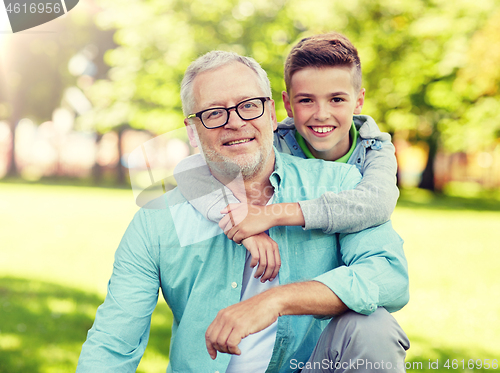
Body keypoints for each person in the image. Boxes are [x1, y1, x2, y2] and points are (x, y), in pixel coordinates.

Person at [76, 50, 409, 373]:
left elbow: (389, 278)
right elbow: (114, 341)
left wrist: (275, 301)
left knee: (373, 327)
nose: (235, 122)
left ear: (274, 114)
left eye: (249, 106)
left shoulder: (340, 183)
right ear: (192, 130)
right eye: (214, 113)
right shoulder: (159, 219)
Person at [174, 32, 399, 283]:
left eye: (336, 99)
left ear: (358, 102)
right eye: (306, 100)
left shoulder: (374, 149)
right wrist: (241, 226)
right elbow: (191, 171)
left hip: (351, 259)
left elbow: (378, 202)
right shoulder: (273, 138)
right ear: (287, 105)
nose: (321, 114)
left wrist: (270, 214)